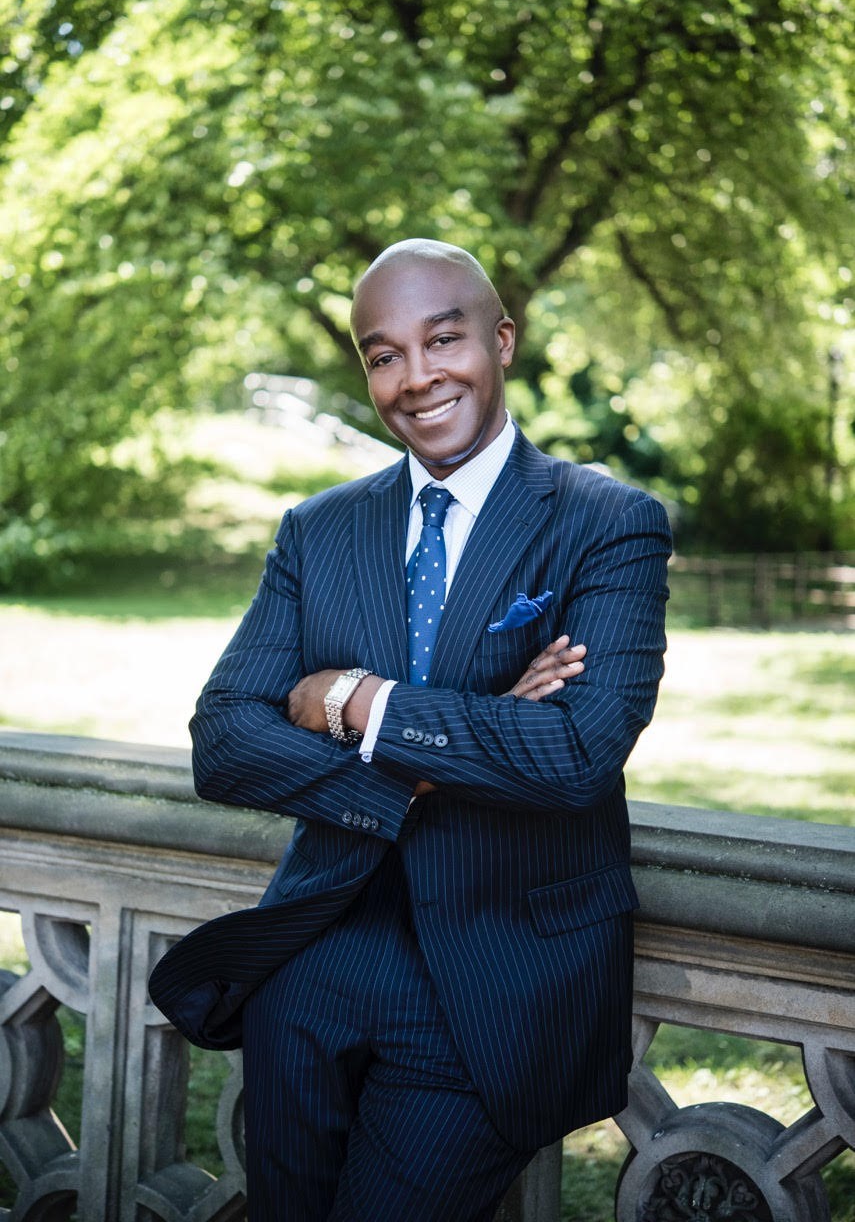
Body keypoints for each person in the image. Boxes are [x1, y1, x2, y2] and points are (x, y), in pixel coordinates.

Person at [149, 238, 671, 1221]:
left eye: (445, 339)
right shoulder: (320, 527)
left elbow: (573, 753)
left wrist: (357, 700)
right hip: (312, 961)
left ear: (502, 339)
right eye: (384, 352)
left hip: (495, 978)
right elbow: (223, 738)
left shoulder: (606, 521)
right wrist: (436, 763)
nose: (418, 376)